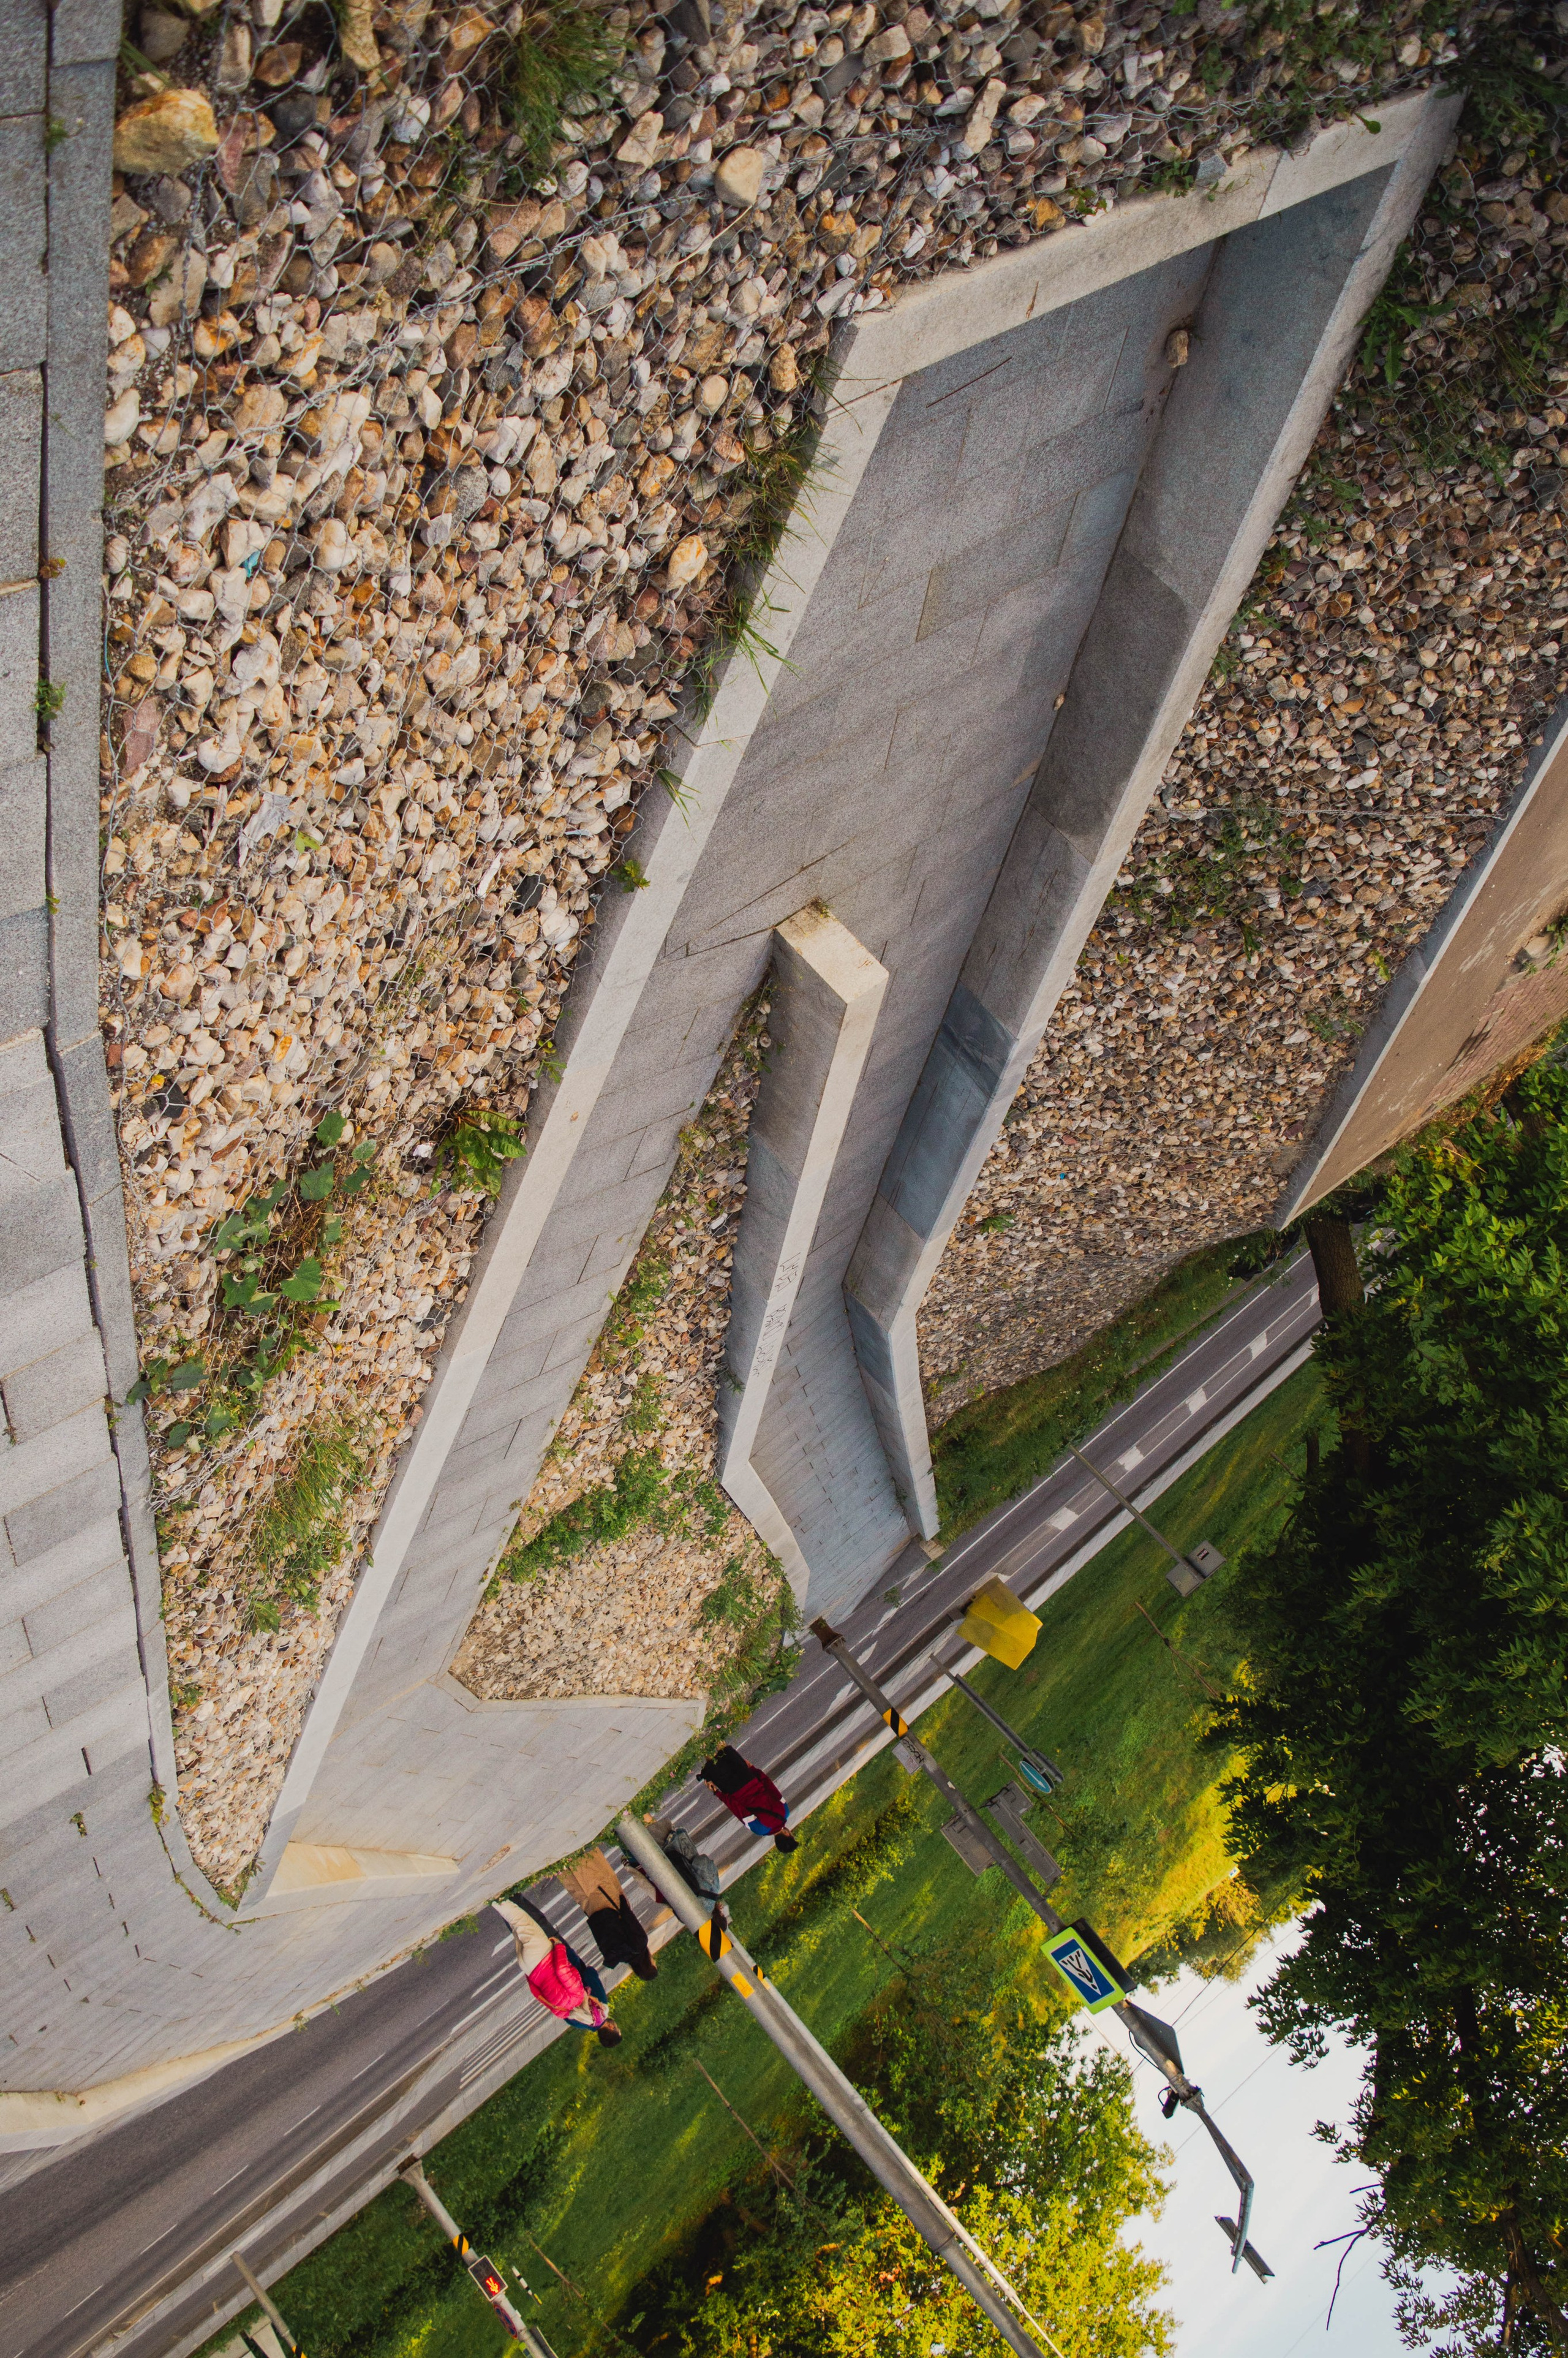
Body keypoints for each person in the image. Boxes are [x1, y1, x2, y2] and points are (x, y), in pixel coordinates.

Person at [493, 1899, 622, 2044]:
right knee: (519, 1931)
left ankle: (509, 1898)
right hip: (533, 1970)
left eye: (617, 2028)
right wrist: (530, 1977)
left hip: (560, 1959)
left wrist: (559, 1947)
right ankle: (503, 1908)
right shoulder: (577, 2021)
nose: (597, 2000)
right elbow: (542, 1996)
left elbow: (588, 1974)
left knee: (537, 1923)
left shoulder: (598, 2006)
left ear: (611, 2028)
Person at [559, 1848, 658, 1981]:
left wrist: (622, 1899)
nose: (654, 1960)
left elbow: (629, 1918)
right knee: (581, 1891)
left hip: (610, 1904)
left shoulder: (641, 1943)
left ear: (648, 1964)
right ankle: (560, 1865)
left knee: (593, 1873)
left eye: (654, 1963)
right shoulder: (618, 1956)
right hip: (595, 1913)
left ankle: (575, 1850)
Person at [699, 1744, 798, 1852]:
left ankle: (715, 1736)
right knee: (711, 1761)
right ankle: (701, 1743)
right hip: (733, 1789)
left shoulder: (785, 1812)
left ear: (787, 1834)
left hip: (749, 1778)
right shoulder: (760, 1829)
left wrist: (753, 1769)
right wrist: (718, 1793)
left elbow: (770, 1786)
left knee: (724, 1750)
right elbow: (738, 1810)